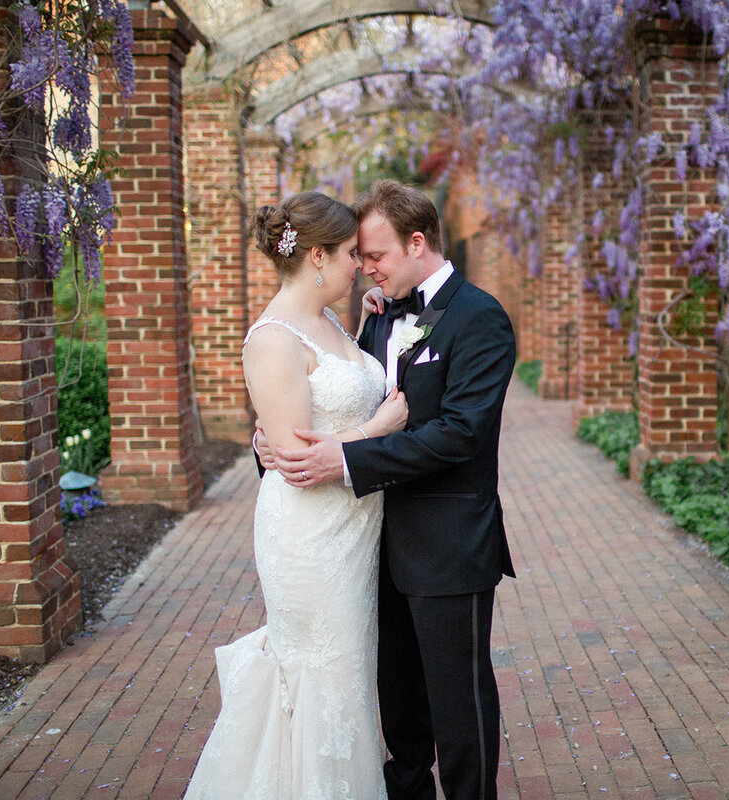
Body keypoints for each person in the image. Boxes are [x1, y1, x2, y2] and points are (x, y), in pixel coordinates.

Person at [259, 179, 517, 800]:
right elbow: (327, 398)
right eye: (359, 258)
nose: (366, 270)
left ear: (417, 242)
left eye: (374, 255)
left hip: (447, 542)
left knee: (458, 700)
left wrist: (348, 460)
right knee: (397, 700)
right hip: (366, 543)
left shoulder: (479, 318)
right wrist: (272, 444)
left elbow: (459, 434)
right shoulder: (377, 316)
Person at [184, 191, 408, 800]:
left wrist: (370, 323)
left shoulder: (331, 320)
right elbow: (295, 460)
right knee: (322, 675)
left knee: (349, 675)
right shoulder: (272, 339)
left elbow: (345, 388)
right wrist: (377, 429)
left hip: (354, 530)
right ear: (316, 256)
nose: (358, 265)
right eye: (347, 255)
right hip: (310, 535)